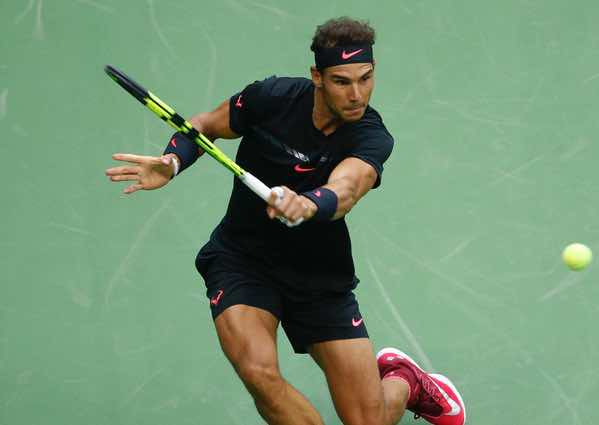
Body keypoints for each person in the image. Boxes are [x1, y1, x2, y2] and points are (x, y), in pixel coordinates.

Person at [105, 17, 465, 425]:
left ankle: (405, 380)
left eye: (366, 78)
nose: (356, 94)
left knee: (369, 420)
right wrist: (172, 162)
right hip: (243, 261)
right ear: (317, 77)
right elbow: (203, 127)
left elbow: (348, 188)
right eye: (341, 81)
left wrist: (308, 204)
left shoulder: (371, 135)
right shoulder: (271, 98)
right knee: (259, 374)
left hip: (319, 276)